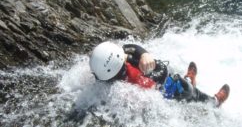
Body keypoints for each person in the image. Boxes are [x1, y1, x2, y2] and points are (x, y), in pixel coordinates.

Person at [89, 41, 230, 107]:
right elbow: (162, 73)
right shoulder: (134, 79)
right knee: (188, 89)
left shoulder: (104, 71)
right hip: (172, 91)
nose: (124, 53)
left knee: (179, 80)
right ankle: (215, 101)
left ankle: (190, 79)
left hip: (157, 85)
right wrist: (147, 62)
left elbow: (129, 47)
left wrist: (144, 54)